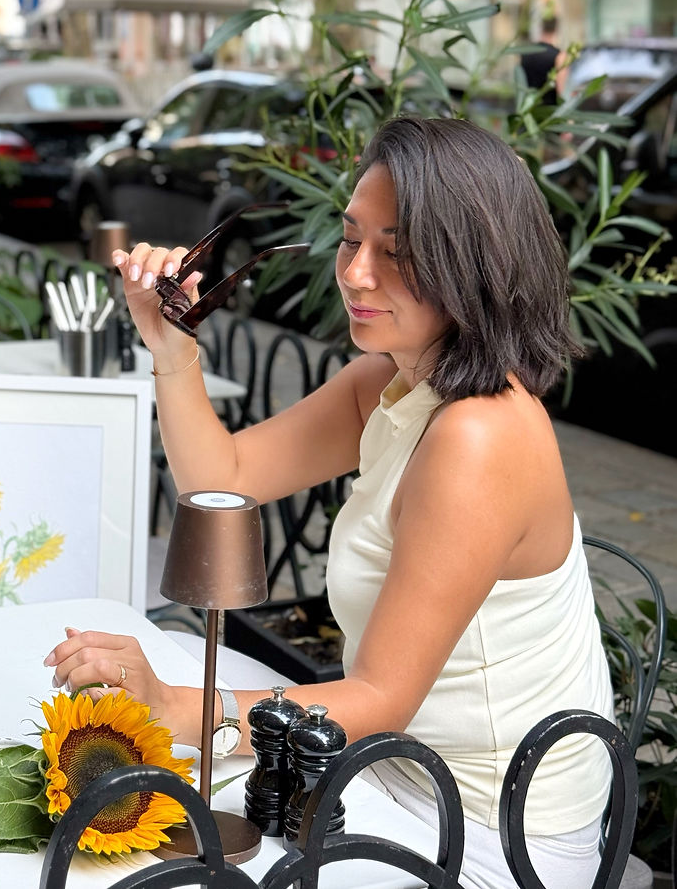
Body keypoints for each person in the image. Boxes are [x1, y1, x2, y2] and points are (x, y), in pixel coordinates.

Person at [44, 117, 614, 889]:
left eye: (398, 251)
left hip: (487, 832)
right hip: (383, 767)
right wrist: (171, 350)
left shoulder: (479, 436)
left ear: (472, 262)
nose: (356, 272)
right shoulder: (391, 382)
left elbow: (379, 695)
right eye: (351, 240)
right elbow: (224, 477)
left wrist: (176, 705)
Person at [520, 11, 567, 106]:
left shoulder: (526, 52)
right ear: (556, 29)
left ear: (541, 27)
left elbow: (520, 82)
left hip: (527, 109)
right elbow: (561, 90)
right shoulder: (559, 56)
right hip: (548, 113)